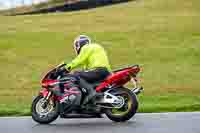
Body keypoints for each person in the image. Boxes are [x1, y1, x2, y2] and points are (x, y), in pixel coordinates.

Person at [60, 35, 111, 106]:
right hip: (105, 72)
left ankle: (91, 92)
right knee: (82, 75)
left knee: (76, 74)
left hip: (98, 70)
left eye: (76, 45)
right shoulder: (95, 47)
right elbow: (86, 68)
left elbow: (78, 60)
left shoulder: (86, 48)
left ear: (79, 44)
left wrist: (66, 68)